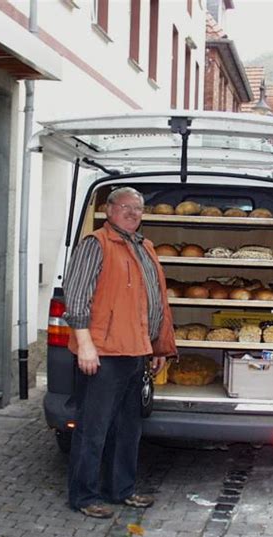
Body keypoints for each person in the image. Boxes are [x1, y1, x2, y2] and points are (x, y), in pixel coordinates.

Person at [63, 186, 177, 519]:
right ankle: (83, 496)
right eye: (125, 207)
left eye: (138, 208)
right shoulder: (95, 244)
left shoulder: (144, 247)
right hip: (103, 354)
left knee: (128, 427)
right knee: (93, 428)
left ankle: (121, 490)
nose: (132, 213)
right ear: (109, 210)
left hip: (135, 351)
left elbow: (153, 302)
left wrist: (157, 345)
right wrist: (85, 345)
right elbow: (76, 298)